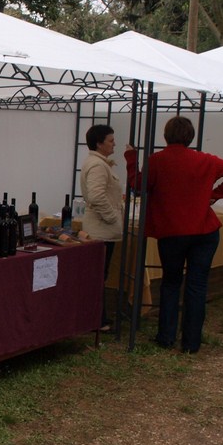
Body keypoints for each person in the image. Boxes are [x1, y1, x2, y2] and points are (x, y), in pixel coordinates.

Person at [125, 116, 223, 354]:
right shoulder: (205, 160)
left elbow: (137, 186)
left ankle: (166, 337)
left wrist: (131, 159)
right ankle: (191, 343)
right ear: (190, 136)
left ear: (166, 135)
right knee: (197, 286)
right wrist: (216, 194)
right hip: (205, 231)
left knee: (171, 283)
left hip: (172, 233)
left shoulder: (158, 161)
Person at [80, 124, 124, 330]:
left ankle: (98, 317)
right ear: (99, 143)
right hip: (101, 229)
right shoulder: (98, 165)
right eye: (110, 140)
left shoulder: (99, 163)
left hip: (102, 228)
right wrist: (112, 217)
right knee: (98, 274)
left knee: (99, 274)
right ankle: (96, 319)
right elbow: (96, 196)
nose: (114, 143)